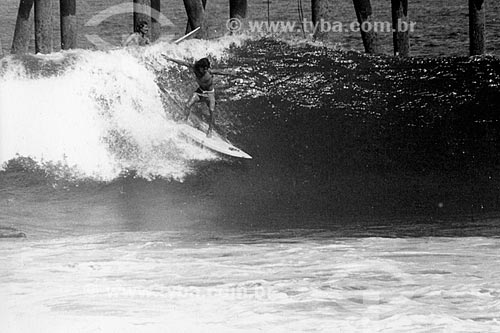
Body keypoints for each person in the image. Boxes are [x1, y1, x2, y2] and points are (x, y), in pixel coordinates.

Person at [162, 56, 236, 137]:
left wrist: (230, 73)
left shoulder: (209, 72)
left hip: (209, 94)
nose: (205, 70)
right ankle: (184, 121)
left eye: (206, 68)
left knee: (211, 110)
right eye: (204, 68)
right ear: (199, 67)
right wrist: (170, 59)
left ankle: (210, 129)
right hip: (200, 92)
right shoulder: (195, 68)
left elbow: (220, 72)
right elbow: (182, 63)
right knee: (188, 105)